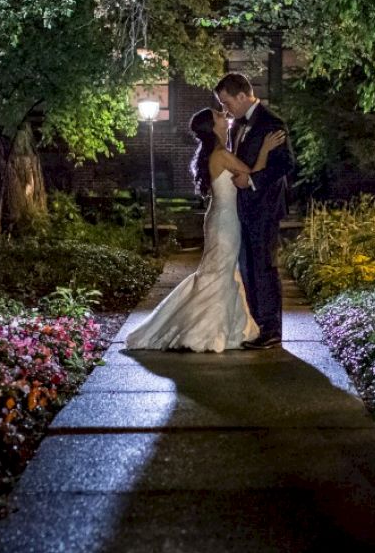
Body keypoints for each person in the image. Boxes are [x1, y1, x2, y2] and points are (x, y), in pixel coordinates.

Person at [124, 106, 286, 352]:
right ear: (212, 127)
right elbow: (251, 175)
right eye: (219, 116)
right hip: (226, 221)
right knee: (219, 272)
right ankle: (203, 329)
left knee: (219, 271)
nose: (224, 116)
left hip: (219, 217)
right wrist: (264, 149)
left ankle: (219, 325)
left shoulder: (218, 150)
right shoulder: (220, 153)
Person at [214, 72, 294, 350]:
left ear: (242, 95)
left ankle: (271, 330)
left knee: (264, 266)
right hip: (244, 206)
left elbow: (284, 165)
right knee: (248, 267)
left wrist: (251, 180)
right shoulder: (237, 126)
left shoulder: (272, 123)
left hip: (266, 206)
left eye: (227, 102)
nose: (226, 109)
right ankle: (257, 325)